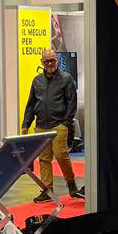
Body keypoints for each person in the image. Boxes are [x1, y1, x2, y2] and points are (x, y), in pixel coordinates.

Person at [22, 50, 81, 203]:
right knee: (44, 159)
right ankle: (47, 190)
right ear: (42, 62)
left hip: (59, 125)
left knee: (61, 155)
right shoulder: (37, 81)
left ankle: (71, 184)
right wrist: (26, 124)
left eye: (52, 60)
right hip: (41, 126)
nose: (49, 63)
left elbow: (72, 102)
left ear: (57, 60)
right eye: (46, 61)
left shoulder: (66, 79)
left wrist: (66, 123)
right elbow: (31, 104)